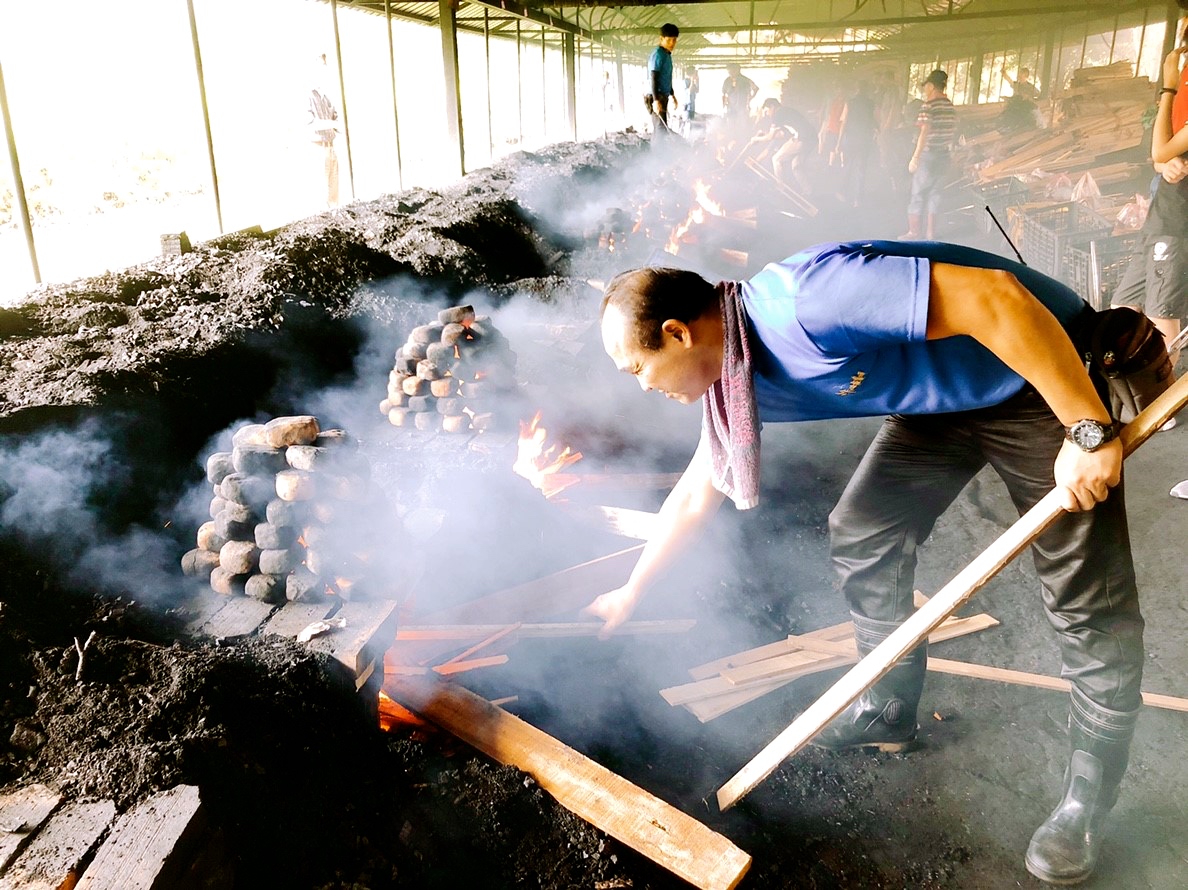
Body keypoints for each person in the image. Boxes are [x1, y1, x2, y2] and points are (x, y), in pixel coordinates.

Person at [588, 239, 1145, 886]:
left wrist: (1087, 426)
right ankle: (888, 710)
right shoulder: (732, 381)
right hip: (943, 402)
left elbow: (1000, 300)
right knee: (863, 532)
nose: (640, 386)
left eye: (635, 369)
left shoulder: (808, 303)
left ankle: (1086, 800)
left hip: (1036, 373)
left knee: (1086, 596)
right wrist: (631, 591)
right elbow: (693, 492)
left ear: (678, 333)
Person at [1111, 40, 1188, 435]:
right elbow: (1157, 150)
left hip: (1177, 224)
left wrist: (1168, 86)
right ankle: (1139, 392)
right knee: (1123, 304)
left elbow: (1161, 146)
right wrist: (1162, 161)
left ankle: (1163, 403)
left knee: (1162, 312)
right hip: (1161, 219)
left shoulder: (1177, 90)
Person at [902, 69, 957, 239]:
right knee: (936, 193)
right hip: (944, 155)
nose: (925, 90)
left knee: (918, 193)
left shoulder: (928, 105)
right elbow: (952, 130)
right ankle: (931, 233)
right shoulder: (949, 106)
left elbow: (924, 132)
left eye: (926, 86)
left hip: (928, 155)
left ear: (932, 86)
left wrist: (915, 157)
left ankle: (914, 232)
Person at [835, 79, 880, 207]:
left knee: (848, 165)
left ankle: (842, 192)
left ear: (856, 89)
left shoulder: (850, 103)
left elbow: (844, 122)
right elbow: (877, 120)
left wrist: (839, 142)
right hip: (865, 139)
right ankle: (857, 199)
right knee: (861, 169)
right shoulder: (871, 104)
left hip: (851, 138)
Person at [308, 52, 340, 210]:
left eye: (325, 68)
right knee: (321, 195)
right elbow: (310, 123)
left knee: (334, 194)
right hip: (317, 150)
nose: (324, 71)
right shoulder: (307, 95)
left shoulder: (325, 97)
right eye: (321, 68)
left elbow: (336, 119)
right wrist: (334, 123)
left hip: (330, 147)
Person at [647, 24, 680, 136]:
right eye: (669, 40)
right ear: (661, 39)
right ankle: (659, 152)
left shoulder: (666, 55)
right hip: (656, 95)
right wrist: (656, 100)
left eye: (674, 40)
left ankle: (661, 151)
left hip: (662, 95)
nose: (672, 43)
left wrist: (672, 94)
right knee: (660, 128)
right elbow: (654, 77)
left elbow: (666, 77)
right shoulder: (658, 54)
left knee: (662, 127)